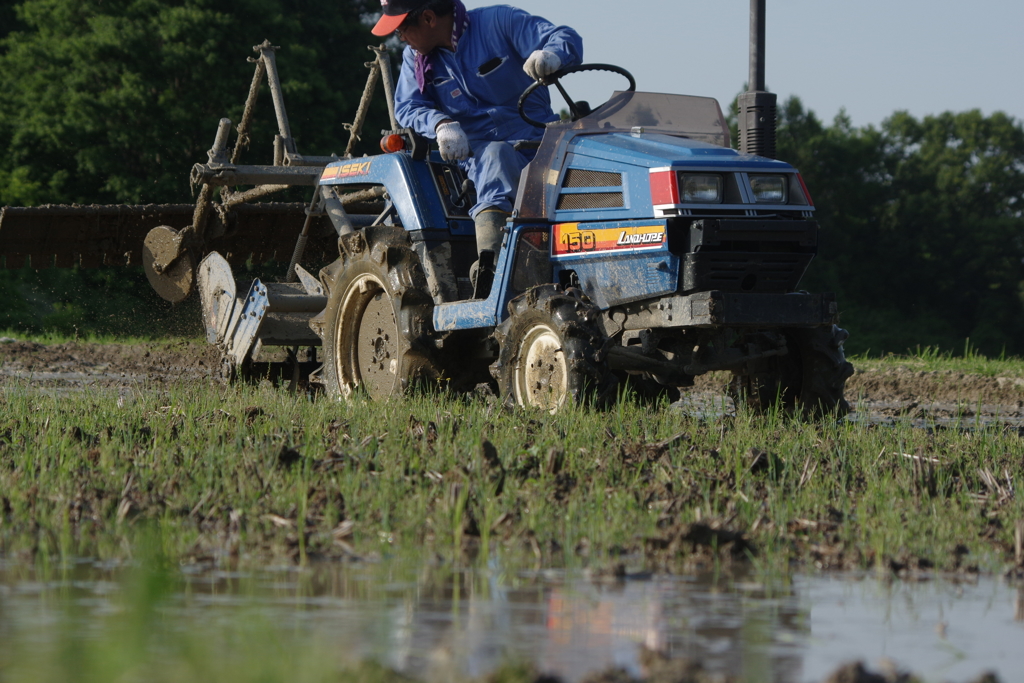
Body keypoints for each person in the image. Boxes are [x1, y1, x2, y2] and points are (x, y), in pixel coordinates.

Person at [371, 0, 583, 280]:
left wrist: (553, 55)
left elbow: (564, 38)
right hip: (479, 158)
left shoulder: (500, 21)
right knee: (496, 156)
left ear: (429, 18)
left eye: (402, 27)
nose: (400, 37)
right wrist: (441, 123)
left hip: (540, 142)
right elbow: (408, 107)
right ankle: (493, 270)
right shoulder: (416, 58)